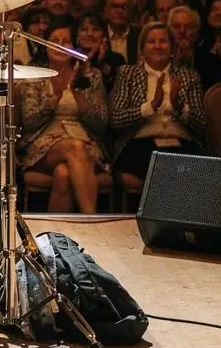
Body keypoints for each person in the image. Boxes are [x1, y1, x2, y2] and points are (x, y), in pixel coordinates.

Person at [19, 20, 110, 214]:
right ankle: (92, 220)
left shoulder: (92, 76)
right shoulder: (34, 77)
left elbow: (101, 124)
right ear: (46, 45)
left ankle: (58, 236)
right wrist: (56, 97)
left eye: (65, 41)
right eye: (54, 40)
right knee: (74, 147)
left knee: (63, 175)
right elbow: (29, 122)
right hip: (42, 145)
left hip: (86, 143)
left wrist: (79, 96)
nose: (59, 45)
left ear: (74, 46)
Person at [110, 21, 206, 178]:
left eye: (163, 41)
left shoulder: (188, 76)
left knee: (194, 167)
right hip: (140, 143)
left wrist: (178, 106)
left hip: (181, 143)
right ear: (142, 50)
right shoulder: (127, 74)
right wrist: (150, 106)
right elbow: (115, 120)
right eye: (151, 42)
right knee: (169, 167)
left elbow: (201, 125)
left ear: (173, 49)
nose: (157, 46)